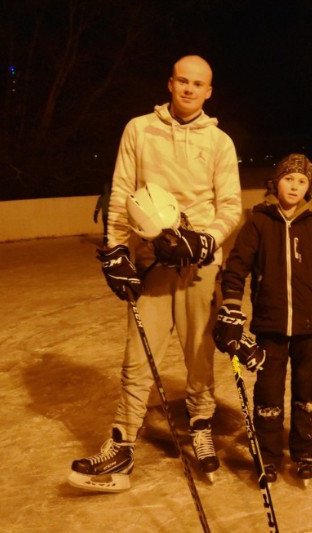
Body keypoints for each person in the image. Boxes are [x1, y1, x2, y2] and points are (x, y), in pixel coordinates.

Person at [68, 55, 243, 492]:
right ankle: (122, 443)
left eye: (197, 83)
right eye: (182, 81)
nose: (188, 89)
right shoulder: (139, 130)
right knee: (138, 353)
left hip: (201, 264)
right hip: (153, 263)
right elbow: (122, 191)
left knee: (198, 354)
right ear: (170, 84)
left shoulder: (220, 142)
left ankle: (200, 424)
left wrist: (208, 241)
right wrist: (114, 251)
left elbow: (232, 208)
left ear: (209, 91)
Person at [214, 153, 312, 483]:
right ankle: (268, 455)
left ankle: (306, 451)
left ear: (309, 189)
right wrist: (231, 306)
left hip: (309, 327)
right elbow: (237, 268)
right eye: (289, 179)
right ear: (276, 182)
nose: (295, 186)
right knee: (268, 392)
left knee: (306, 391)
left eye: (302, 182)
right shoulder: (259, 222)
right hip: (270, 325)